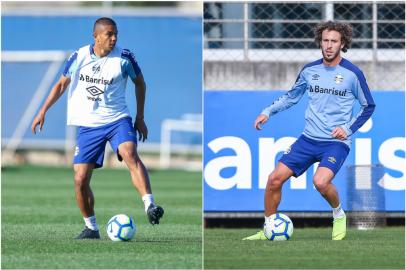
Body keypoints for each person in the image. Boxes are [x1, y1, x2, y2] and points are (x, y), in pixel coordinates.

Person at [31, 17, 164, 239]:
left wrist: (139, 117)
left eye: (116, 34)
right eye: (109, 34)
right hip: (89, 125)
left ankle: (149, 205)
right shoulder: (79, 56)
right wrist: (43, 110)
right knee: (80, 179)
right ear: (96, 36)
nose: (114, 38)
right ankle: (91, 228)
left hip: (117, 119)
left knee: (129, 153)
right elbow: (61, 84)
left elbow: (140, 83)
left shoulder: (124, 57)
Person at [243, 21, 375, 241]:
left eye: (334, 41)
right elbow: (291, 97)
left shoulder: (353, 74)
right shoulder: (309, 70)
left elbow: (368, 105)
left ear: (343, 43)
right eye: (325, 40)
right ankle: (268, 227)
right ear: (320, 42)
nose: (329, 45)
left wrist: (347, 128)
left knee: (321, 182)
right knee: (274, 179)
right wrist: (267, 112)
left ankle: (338, 213)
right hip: (308, 139)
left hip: (335, 142)